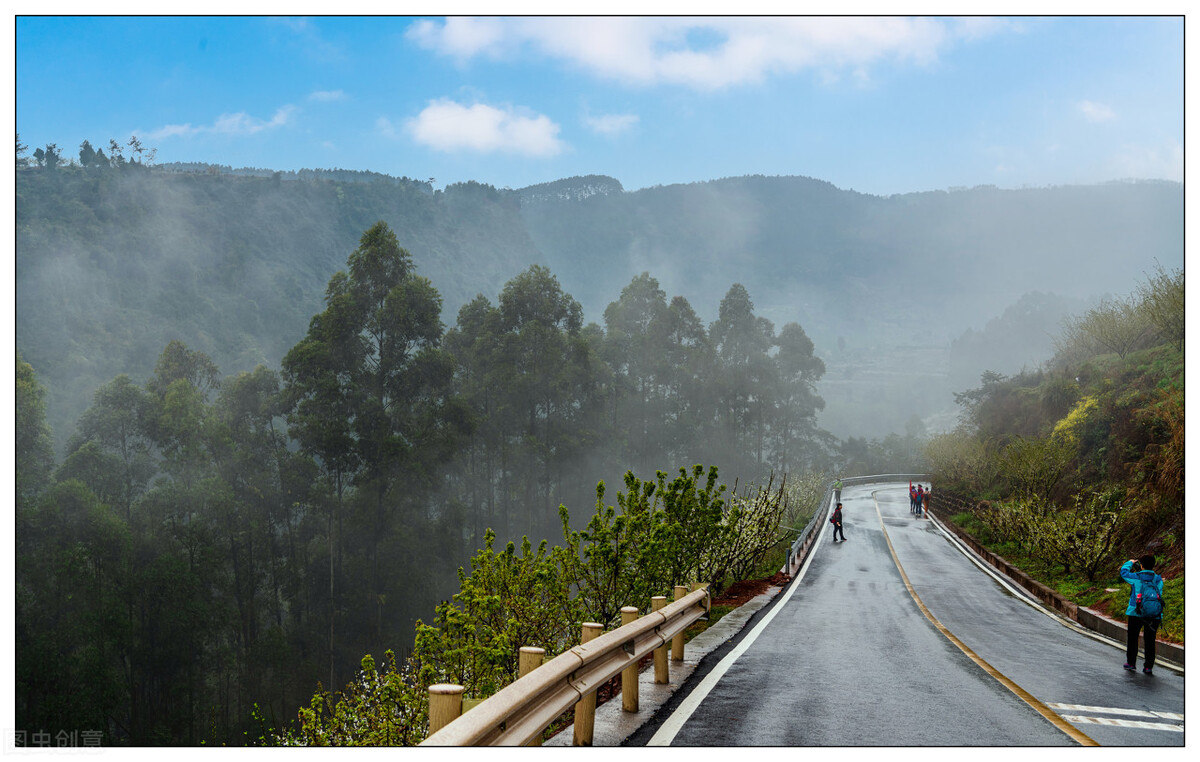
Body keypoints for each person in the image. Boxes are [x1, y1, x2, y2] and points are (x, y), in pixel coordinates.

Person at [1119, 554, 1164, 674]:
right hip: (1154, 614)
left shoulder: (1136, 577)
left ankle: (1131, 663)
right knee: (1150, 640)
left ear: (1141, 565)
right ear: (1154, 565)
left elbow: (1123, 572)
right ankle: (1148, 666)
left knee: (1133, 638)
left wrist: (1130, 562)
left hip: (1136, 612)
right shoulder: (1158, 580)